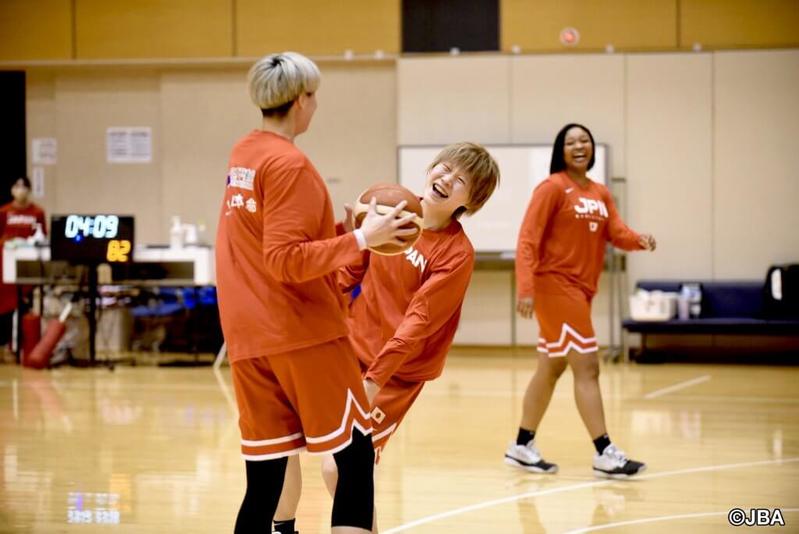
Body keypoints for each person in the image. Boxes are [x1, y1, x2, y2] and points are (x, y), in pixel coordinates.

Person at [215, 51, 416, 534]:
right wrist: (366, 239)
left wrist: (340, 231)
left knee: (264, 477)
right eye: (315, 95)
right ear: (303, 100)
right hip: (300, 332)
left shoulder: (245, 152)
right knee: (355, 453)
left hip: (248, 335)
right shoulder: (291, 165)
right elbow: (285, 261)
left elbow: (269, 241)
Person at [272, 142, 500, 533]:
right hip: (350, 349)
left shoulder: (456, 253)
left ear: (470, 202)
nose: (446, 179)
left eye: (460, 180)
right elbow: (349, 275)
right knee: (283, 438)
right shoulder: (393, 212)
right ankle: (281, 526)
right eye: (444, 169)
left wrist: (374, 382)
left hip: (396, 373)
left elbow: (418, 323)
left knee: (339, 466)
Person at [505, 123, 656, 479]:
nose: (579, 146)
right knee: (587, 366)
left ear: (592, 150)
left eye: (584, 141)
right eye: (571, 141)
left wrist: (639, 240)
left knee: (551, 368)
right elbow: (527, 240)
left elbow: (616, 232)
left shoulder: (601, 193)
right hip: (554, 286)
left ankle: (521, 446)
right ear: (561, 149)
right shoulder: (552, 188)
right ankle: (605, 452)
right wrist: (525, 288)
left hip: (580, 291)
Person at [0, 176, 47, 351]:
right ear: (12, 189)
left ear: (29, 189)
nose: (20, 190)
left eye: (24, 186)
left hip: (29, 266)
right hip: (5, 267)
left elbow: (43, 237)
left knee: (24, 305)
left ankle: (22, 343)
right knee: (5, 305)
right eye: (17, 186)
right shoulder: (4, 211)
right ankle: (5, 343)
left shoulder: (37, 212)